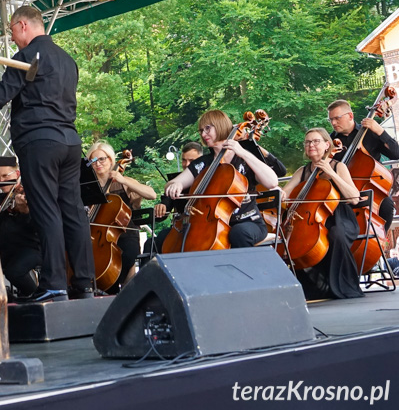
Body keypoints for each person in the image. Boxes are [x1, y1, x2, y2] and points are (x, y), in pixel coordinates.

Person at [0, 5, 93, 302]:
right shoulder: (68, 61)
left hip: (40, 141)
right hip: (70, 140)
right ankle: (85, 283)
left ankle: (55, 284)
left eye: (11, 30)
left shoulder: (26, 57)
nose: (11, 38)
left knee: (46, 209)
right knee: (73, 210)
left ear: (23, 25)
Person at [164, 110, 279, 249]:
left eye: (207, 128)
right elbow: (176, 181)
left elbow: (272, 182)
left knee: (239, 233)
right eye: (201, 130)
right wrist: (174, 184)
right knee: (167, 238)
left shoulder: (244, 159)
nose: (203, 134)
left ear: (220, 125)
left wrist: (242, 152)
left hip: (248, 222)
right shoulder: (202, 163)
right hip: (212, 223)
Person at [281, 127, 362, 299]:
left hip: (339, 218)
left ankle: (344, 286)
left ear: (327, 145)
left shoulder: (338, 166)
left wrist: (331, 173)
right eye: (308, 142)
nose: (311, 145)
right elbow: (285, 193)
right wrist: (279, 193)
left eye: (316, 141)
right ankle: (314, 287)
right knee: (298, 240)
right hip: (311, 219)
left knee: (335, 234)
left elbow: (354, 198)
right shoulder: (302, 171)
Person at [86, 142, 156, 291]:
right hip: (98, 237)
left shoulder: (122, 182)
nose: (98, 164)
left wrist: (123, 180)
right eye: (93, 161)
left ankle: (122, 290)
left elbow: (152, 194)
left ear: (111, 160)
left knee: (128, 255)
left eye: (102, 159)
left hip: (126, 233)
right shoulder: (88, 186)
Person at [328, 99, 399, 230]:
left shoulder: (369, 133)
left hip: (370, 189)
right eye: (330, 120)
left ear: (350, 116)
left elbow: (397, 154)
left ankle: (379, 242)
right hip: (342, 192)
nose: (333, 123)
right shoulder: (330, 141)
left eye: (337, 118)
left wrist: (380, 132)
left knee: (387, 206)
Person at [0, 165, 41, 299]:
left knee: (14, 272)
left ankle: (36, 297)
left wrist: (25, 212)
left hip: (31, 247)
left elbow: (37, 228)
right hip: (5, 249)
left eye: (5, 176)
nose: (1, 181)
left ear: (17, 173)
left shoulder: (31, 194)